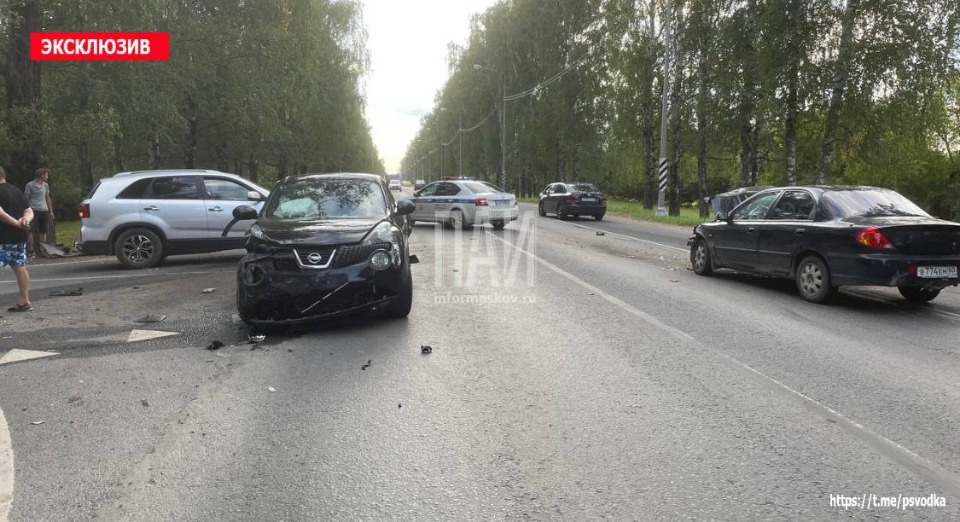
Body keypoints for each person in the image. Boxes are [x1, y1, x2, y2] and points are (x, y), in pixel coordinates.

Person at [0, 166, 34, 311]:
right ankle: (24, 301)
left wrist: (17, 224)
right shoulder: (16, 190)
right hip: (18, 237)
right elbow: (29, 210)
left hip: (2, 237)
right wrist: (25, 221)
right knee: (20, 267)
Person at [24, 167, 54, 257]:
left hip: (44, 210)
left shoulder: (45, 185)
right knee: (30, 231)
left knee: (43, 231)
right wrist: (26, 210)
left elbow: (47, 198)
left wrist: (51, 211)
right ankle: (31, 251)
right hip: (33, 210)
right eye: (46, 175)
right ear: (41, 175)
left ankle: (43, 250)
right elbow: (26, 198)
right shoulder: (30, 185)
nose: (47, 176)